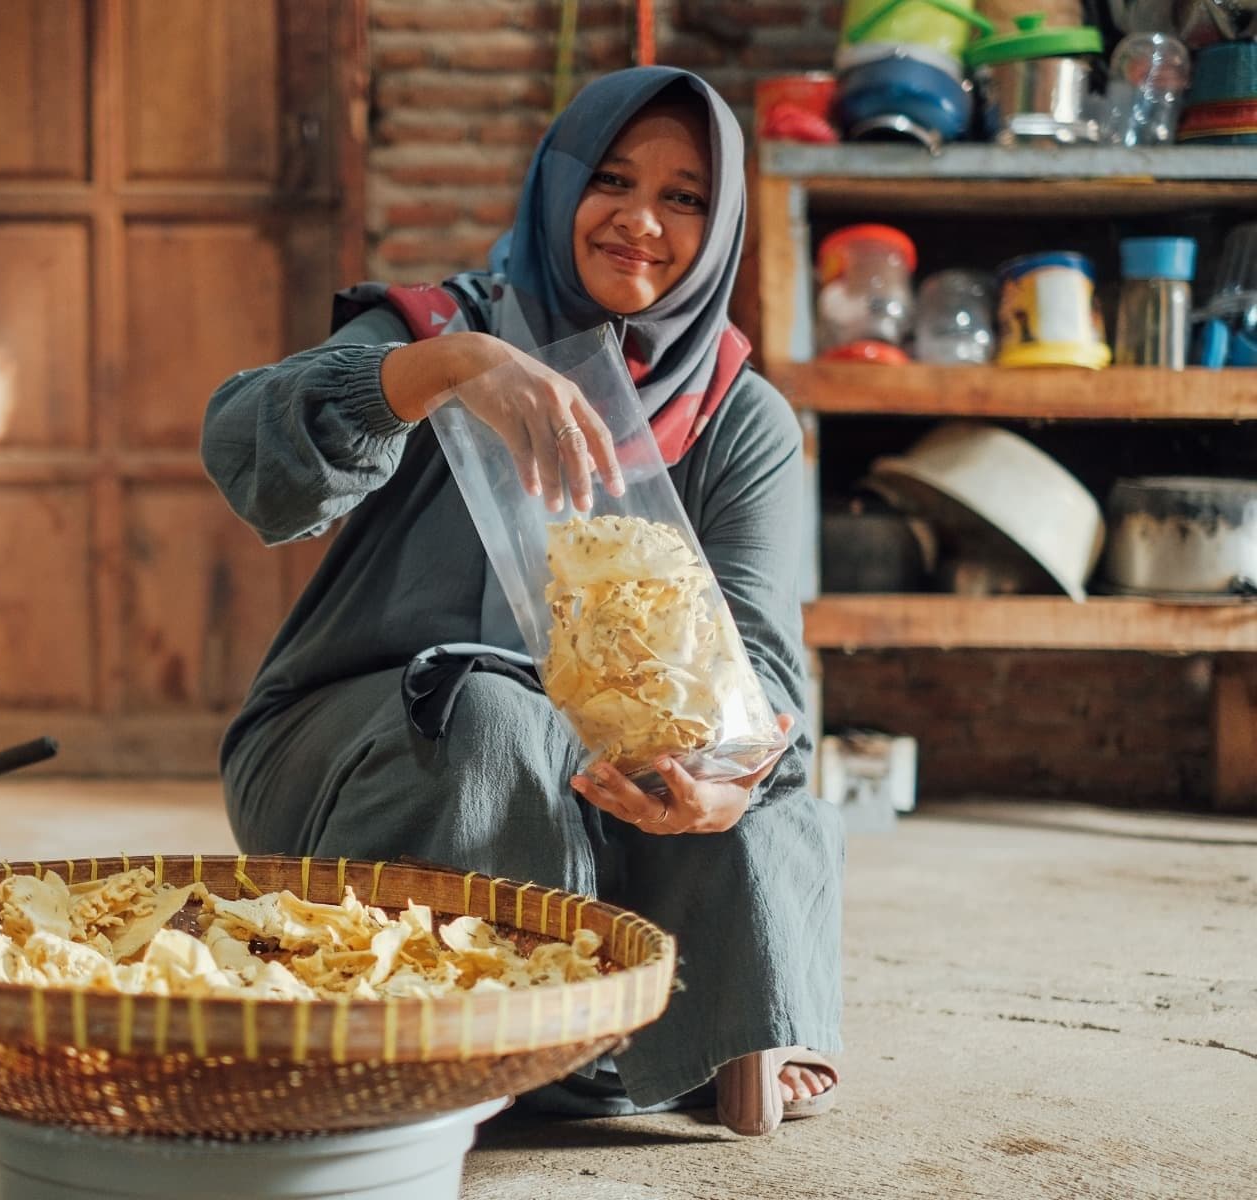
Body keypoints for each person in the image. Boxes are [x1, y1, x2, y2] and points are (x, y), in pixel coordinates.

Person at [200, 65, 841, 1137]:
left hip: (604, 782)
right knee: (492, 715)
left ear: (721, 225)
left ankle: (694, 1031)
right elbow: (242, 447)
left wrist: (725, 780)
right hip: (377, 750)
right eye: (612, 180)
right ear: (558, 185)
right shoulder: (437, 329)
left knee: (756, 764)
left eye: (684, 197)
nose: (641, 221)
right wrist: (446, 372)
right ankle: (530, 1039)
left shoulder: (739, 417)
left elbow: (764, 662)